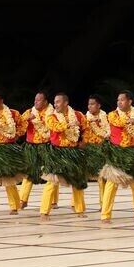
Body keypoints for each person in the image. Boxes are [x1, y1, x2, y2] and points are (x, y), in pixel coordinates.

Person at [100, 91, 134, 224]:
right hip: (117, 153)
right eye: (118, 100)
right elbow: (118, 123)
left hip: (133, 152)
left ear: (130, 101)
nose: (119, 102)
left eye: (122, 100)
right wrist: (130, 121)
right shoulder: (112, 115)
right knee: (111, 183)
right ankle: (105, 215)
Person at [39, 93, 89, 221]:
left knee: (77, 181)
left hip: (73, 151)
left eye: (58, 102)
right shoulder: (50, 116)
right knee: (52, 182)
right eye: (54, 102)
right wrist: (69, 125)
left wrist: (84, 141)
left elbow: (86, 128)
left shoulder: (78, 115)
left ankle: (79, 209)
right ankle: (44, 212)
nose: (55, 104)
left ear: (66, 103)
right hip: (57, 152)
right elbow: (55, 127)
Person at [19, 91, 54, 210]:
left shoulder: (52, 114)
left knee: (51, 173)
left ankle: (53, 201)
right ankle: (22, 199)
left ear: (45, 102)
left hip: (48, 146)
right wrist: (25, 120)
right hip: (32, 147)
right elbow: (18, 125)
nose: (35, 102)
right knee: (29, 173)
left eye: (38, 100)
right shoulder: (29, 112)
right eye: (35, 100)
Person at [83, 94, 111, 208]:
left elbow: (108, 132)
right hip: (88, 150)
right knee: (81, 176)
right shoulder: (85, 118)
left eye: (92, 104)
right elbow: (81, 125)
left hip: (101, 149)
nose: (90, 106)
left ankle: (103, 204)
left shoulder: (106, 116)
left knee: (102, 177)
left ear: (99, 105)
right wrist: (90, 121)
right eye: (89, 104)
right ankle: (76, 204)